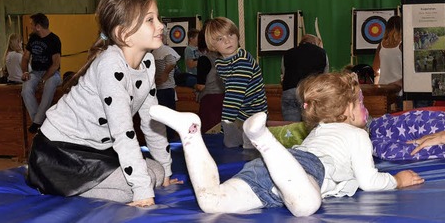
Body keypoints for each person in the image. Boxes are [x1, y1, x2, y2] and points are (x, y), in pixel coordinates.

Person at [149, 72, 424, 217]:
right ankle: (263, 139)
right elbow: (368, 180)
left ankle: (190, 132)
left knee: (212, 202)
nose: (366, 109)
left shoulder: (319, 131)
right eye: (361, 103)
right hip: (302, 169)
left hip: (270, 171)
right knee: (305, 206)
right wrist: (396, 180)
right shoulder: (358, 135)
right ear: (347, 111)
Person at [26, 0, 182, 206]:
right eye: (150, 20)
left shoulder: (147, 62)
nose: (161, 25)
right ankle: (56, 184)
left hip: (96, 150)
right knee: (133, 189)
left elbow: (151, 120)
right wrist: (141, 191)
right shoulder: (110, 65)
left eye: (158, 18)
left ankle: (85, 184)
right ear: (123, 33)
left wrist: (165, 170)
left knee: (154, 172)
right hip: (58, 152)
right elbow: (123, 132)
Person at [205, 17, 268, 147]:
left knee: (243, 146)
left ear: (237, 35)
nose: (228, 40)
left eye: (230, 34)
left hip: (253, 114)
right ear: (213, 45)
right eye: (220, 39)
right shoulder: (220, 62)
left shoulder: (242, 61)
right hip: (240, 112)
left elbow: (233, 98)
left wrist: (226, 125)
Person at [20, 13, 62, 134]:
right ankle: (39, 123)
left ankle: (37, 121)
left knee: (49, 85)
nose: (31, 27)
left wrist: (43, 79)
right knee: (26, 89)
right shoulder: (33, 38)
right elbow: (25, 58)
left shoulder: (54, 40)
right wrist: (25, 72)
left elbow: (55, 64)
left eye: (32, 25)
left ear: (38, 26)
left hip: (52, 74)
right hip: (35, 72)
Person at [281, 34, 328, 121]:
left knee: (291, 128)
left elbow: (284, 74)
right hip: (311, 93)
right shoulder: (322, 53)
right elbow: (325, 77)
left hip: (290, 92)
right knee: (310, 127)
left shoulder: (288, 53)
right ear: (315, 43)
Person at [194, 21, 225, 133]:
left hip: (210, 101)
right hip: (226, 100)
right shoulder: (225, 57)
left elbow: (201, 86)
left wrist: (195, 87)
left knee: (210, 135)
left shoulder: (204, 59)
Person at [153, 42, 181, 140]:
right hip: (162, 88)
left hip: (165, 88)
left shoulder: (164, 50)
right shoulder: (159, 50)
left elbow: (172, 62)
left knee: (166, 117)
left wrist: (165, 73)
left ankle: (168, 139)